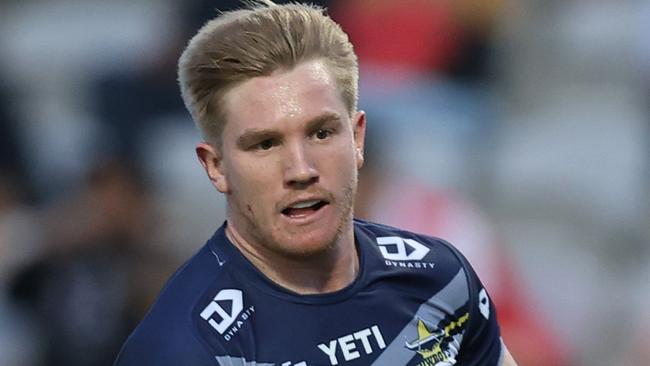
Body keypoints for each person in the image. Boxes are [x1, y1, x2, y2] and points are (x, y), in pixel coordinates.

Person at [114, 1, 517, 365]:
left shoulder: (437, 279)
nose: (301, 168)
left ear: (357, 139)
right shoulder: (185, 349)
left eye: (322, 133)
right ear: (215, 166)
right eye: (265, 144)